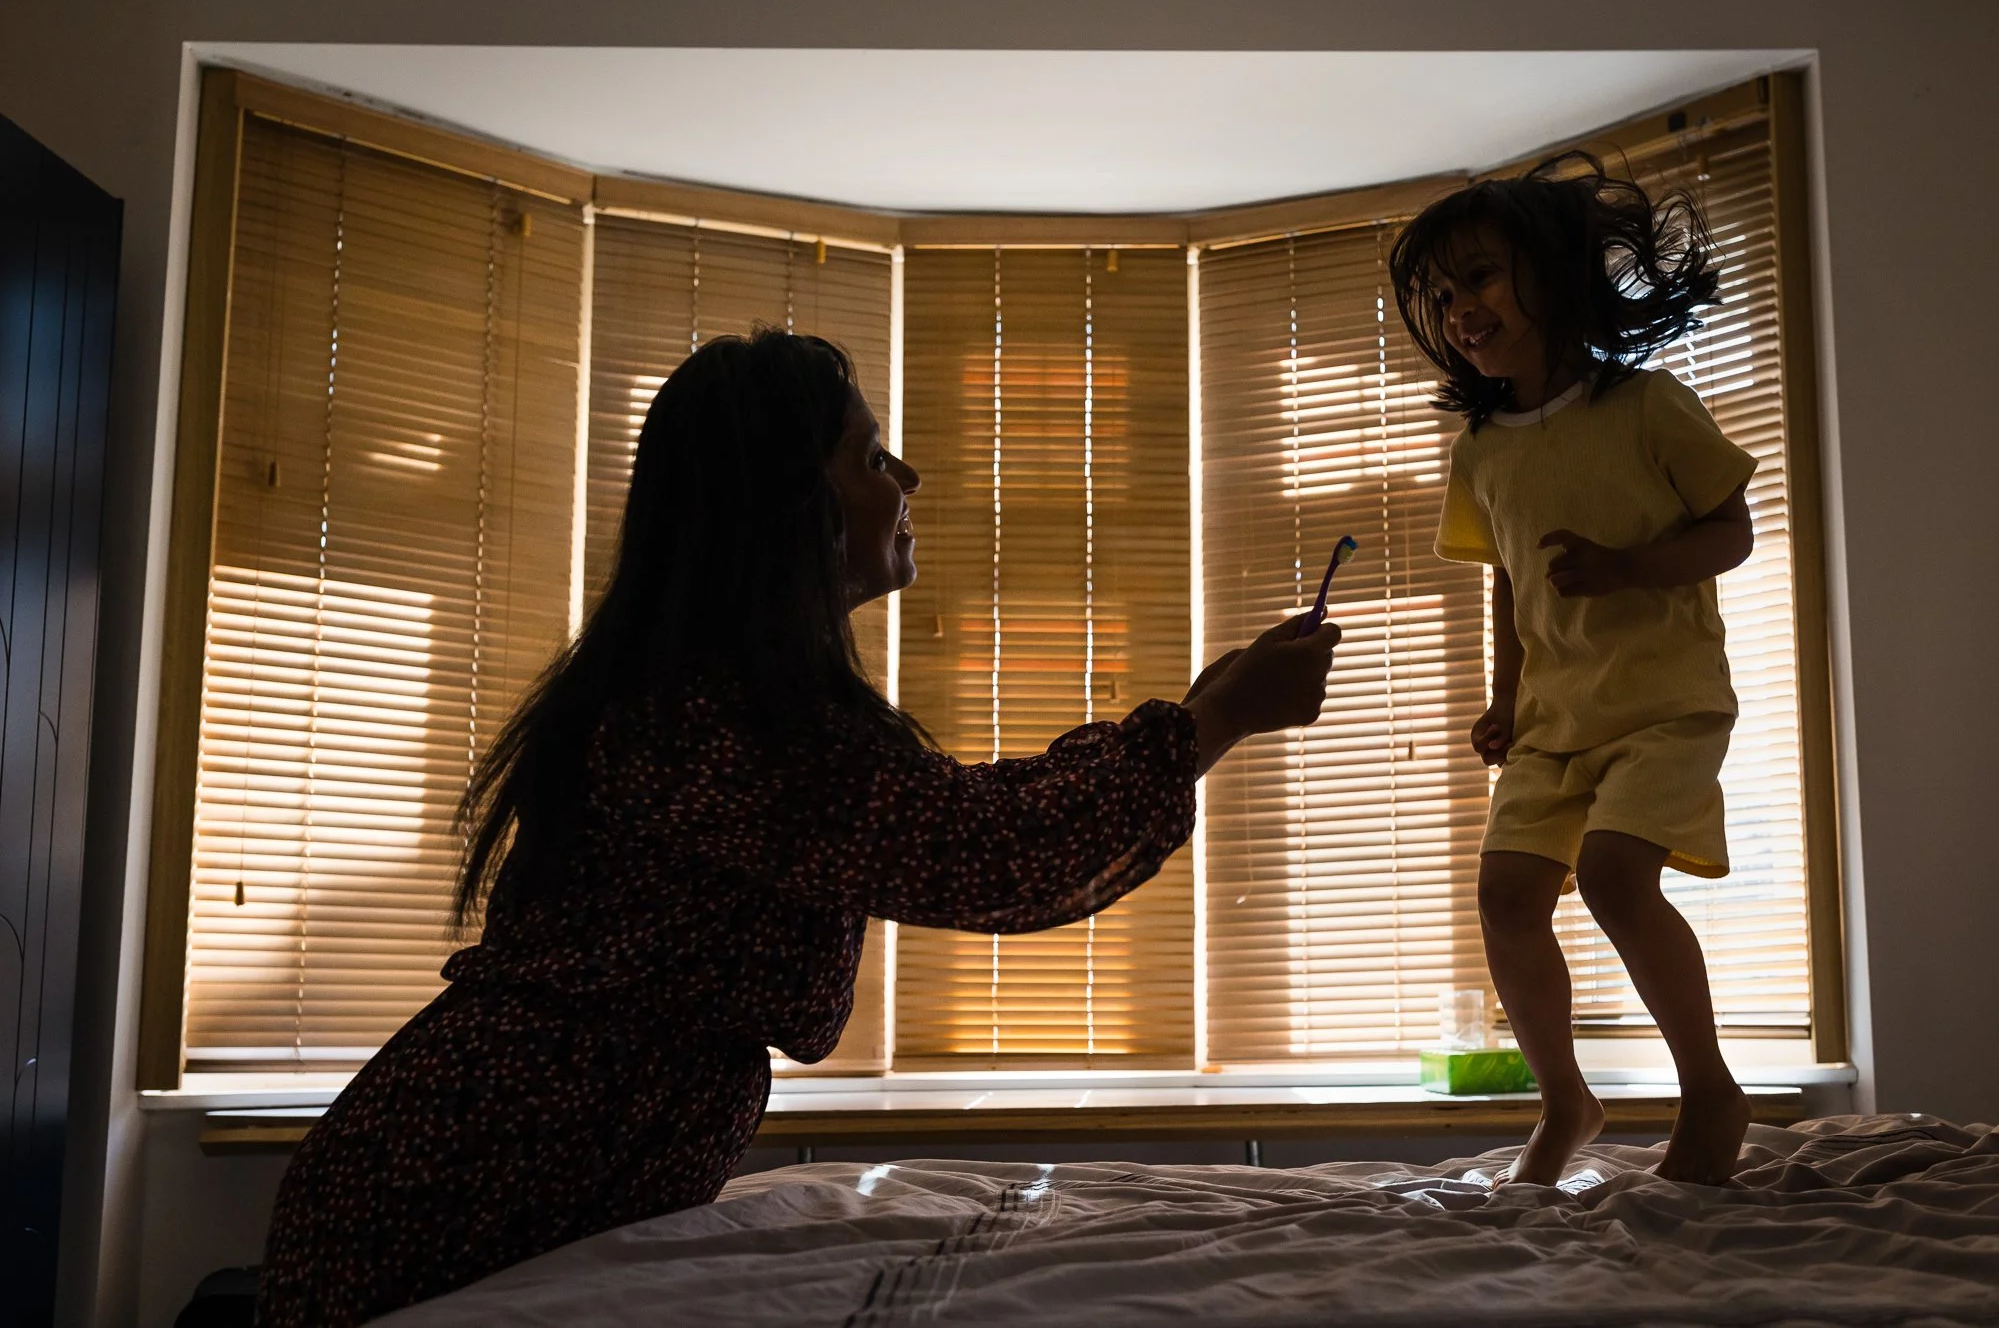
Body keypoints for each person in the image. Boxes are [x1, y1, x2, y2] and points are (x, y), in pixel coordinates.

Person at [255, 329, 1343, 1326]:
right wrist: (1214, 722)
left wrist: (1205, 716)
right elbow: (983, 851)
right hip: (466, 1184)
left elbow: (956, 830)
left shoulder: (715, 698)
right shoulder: (715, 715)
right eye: (874, 458)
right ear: (786, 503)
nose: (908, 480)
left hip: (494, 1162)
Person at [1389, 154, 1758, 1187]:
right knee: (1504, 896)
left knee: (1610, 875)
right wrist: (1504, 698)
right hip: (1553, 721)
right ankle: (1567, 1103)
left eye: (1481, 277)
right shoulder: (1481, 450)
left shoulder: (1647, 406)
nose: (1460, 307)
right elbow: (1508, 584)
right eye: (1442, 293)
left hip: (1664, 707)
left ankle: (1711, 1091)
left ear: (1554, 273)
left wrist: (1630, 567)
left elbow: (1731, 530)